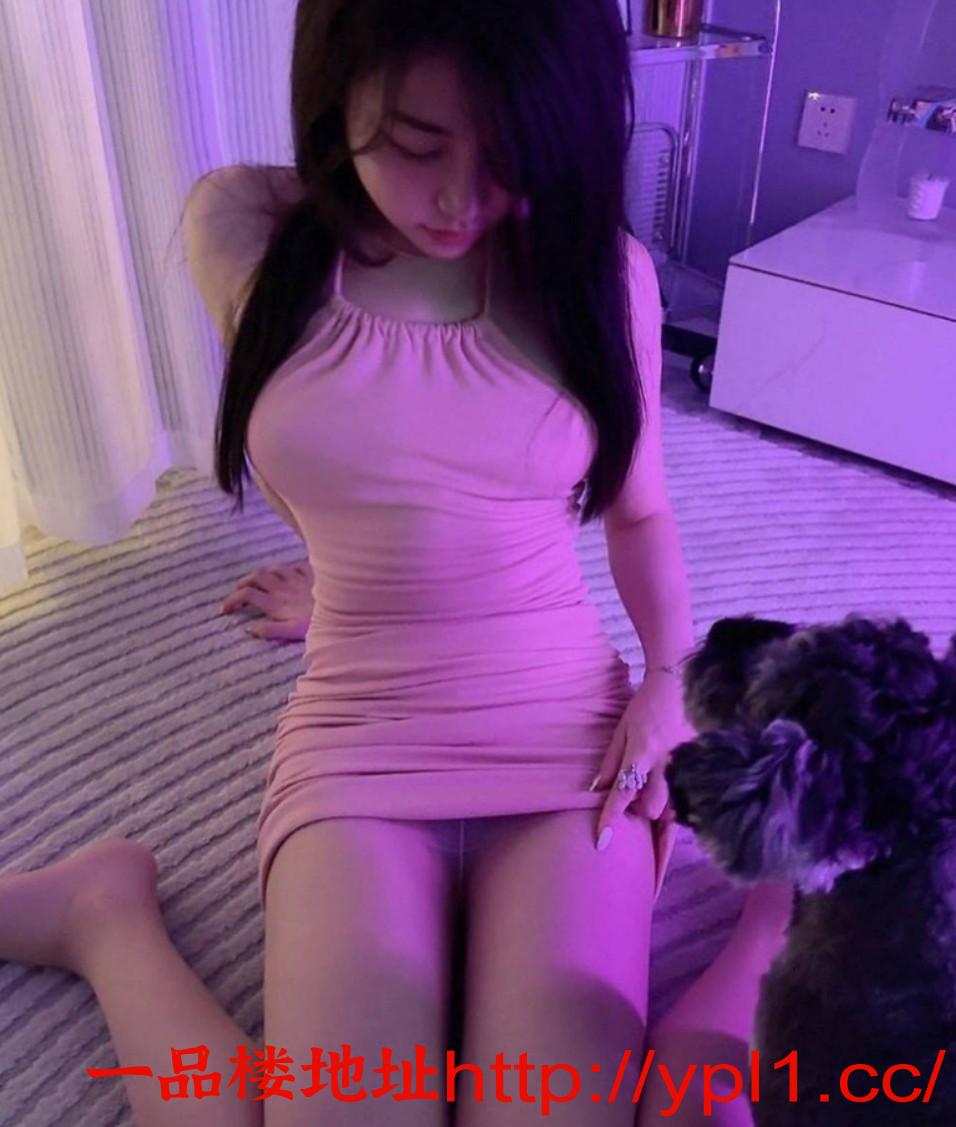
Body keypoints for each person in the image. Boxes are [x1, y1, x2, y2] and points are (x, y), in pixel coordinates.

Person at [0, 2, 793, 1125]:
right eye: (418, 144)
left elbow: (641, 512)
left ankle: (771, 917)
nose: (461, 199)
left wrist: (666, 679)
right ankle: (103, 914)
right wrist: (342, 583)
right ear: (339, 89)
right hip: (359, 729)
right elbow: (330, 455)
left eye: (511, 156)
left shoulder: (599, 274)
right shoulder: (244, 233)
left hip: (562, 730)